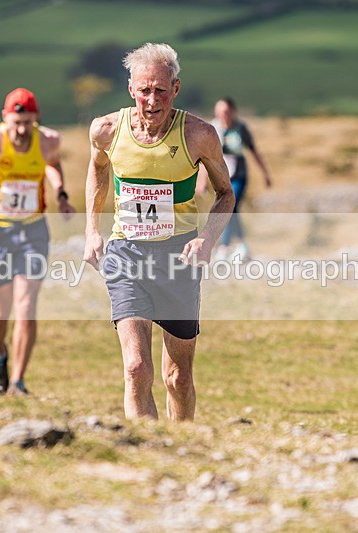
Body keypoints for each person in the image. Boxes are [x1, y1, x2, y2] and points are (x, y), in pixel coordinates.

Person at [84, 43, 235, 421]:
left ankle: (182, 444)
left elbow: (225, 193)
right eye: (144, 90)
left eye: (161, 91)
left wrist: (206, 239)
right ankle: (149, 454)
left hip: (178, 258)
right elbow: (99, 170)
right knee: (137, 368)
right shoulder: (106, 130)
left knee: (177, 377)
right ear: (131, 89)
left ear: (176, 89)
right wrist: (92, 230)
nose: (152, 100)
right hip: (126, 254)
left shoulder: (199, 135)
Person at [0, 88, 75, 395]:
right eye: (16, 122)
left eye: (28, 123)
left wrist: (60, 193)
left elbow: (52, 163)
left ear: (37, 120)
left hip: (33, 231)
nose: (21, 130)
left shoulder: (49, 140)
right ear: (5, 118)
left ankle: (17, 382)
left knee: (26, 306)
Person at [195, 97, 272, 261]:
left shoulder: (240, 128)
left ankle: (225, 247)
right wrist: (201, 183)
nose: (223, 115)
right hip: (221, 177)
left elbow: (254, 152)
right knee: (228, 209)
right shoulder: (213, 128)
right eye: (219, 112)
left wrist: (265, 174)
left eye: (226, 112)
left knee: (231, 206)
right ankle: (241, 245)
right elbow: (205, 159)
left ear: (232, 112)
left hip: (239, 175)